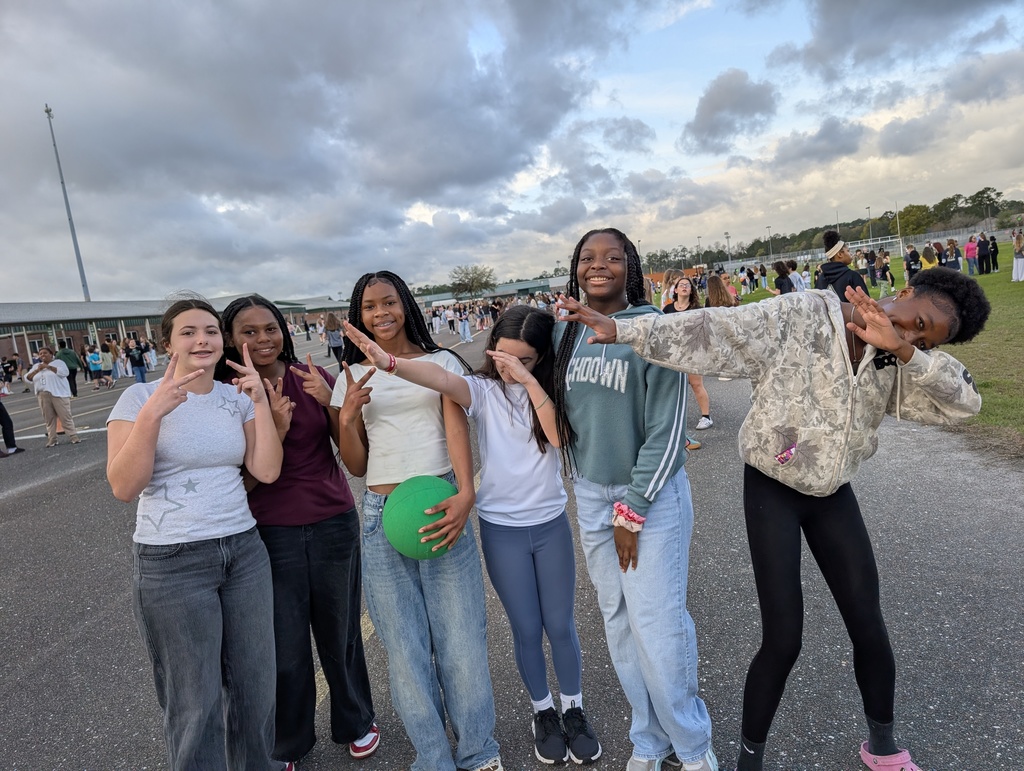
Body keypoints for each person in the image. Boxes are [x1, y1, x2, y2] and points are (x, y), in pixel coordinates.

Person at [557, 267, 990, 771]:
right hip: (772, 488)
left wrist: (905, 351)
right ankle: (750, 761)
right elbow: (716, 328)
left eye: (925, 339)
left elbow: (966, 405)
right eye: (917, 321)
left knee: (869, 626)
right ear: (907, 292)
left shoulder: (896, 361)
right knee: (783, 638)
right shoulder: (805, 314)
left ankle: (884, 748)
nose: (911, 334)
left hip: (832, 493)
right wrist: (625, 329)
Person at [344, 305, 601, 765]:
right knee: (527, 628)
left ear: (541, 358)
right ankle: (543, 712)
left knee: (560, 625)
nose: (508, 367)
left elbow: (559, 439)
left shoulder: (550, 391)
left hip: (550, 526)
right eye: (501, 355)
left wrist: (529, 381)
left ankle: (573, 709)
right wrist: (390, 363)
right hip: (503, 531)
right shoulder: (483, 391)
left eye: (522, 359)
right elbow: (441, 378)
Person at [552, 228, 718, 771]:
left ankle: (693, 746)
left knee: (658, 625)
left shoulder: (653, 327)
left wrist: (633, 508)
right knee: (619, 622)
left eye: (612, 257)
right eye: (587, 257)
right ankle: (649, 738)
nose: (597, 265)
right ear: (575, 268)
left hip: (648, 497)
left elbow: (668, 431)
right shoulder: (566, 332)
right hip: (591, 496)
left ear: (632, 266)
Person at [331, 271, 503, 771]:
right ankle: (432, 758)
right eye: (369, 306)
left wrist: (466, 493)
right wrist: (346, 418)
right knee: (405, 652)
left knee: (462, 641)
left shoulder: (440, 361)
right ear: (359, 315)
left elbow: (455, 427)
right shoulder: (350, 376)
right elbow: (357, 465)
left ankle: (479, 752)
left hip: (441, 504)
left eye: (388, 302)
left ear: (405, 304)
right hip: (382, 515)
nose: (380, 313)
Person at [106, 297, 286, 770]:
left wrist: (260, 402)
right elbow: (124, 486)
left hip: (243, 552)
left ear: (222, 339)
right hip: (172, 562)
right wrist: (154, 414)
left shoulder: (235, 397)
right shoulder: (138, 398)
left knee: (255, 689)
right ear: (168, 344)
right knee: (194, 703)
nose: (201, 340)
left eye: (209, 330)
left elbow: (267, 470)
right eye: (187, 332)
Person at [218, 296, 378, 765]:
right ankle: (290, 739)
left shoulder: (311, 375)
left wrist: (332, 404)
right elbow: (238, 480)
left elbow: (352, 454)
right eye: (249, 332)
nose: (262, 339)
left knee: (341, 632)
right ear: (230, 339)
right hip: (269, 531)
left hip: (332, 522)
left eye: (270, 328)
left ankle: (355, 720)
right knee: (284, 645)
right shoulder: (226, 393)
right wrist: (277, 429)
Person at [664, 276, 713, 434]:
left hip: (692, 351)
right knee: (672, 386)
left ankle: (706, 416)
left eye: (687, 285)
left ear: (691, 290)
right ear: (676, 290)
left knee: (696, 384)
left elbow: (704, 330)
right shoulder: (667, 309)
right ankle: (670, 418)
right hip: (673, 353)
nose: (684, 287)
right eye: (681, 285)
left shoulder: (696, 309)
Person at [25, 346, 82, 447]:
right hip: (43, 394)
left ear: (51, 354)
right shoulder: (36, 366)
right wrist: (37, 370)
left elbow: (64, 373)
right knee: (49, 418)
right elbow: (28, 378)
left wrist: (48, 367)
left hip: (58, 393)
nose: (43, 355)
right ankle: (52, 439)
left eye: (45, 353)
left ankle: (73, 436)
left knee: (65, 416)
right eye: (40, 353)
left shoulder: (59, 363)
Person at [816, 231, 868, 297]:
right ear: (840, 254)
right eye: (848, 251)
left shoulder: (820, 278)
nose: (850, 254)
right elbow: (866, 301)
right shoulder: (853, 276)